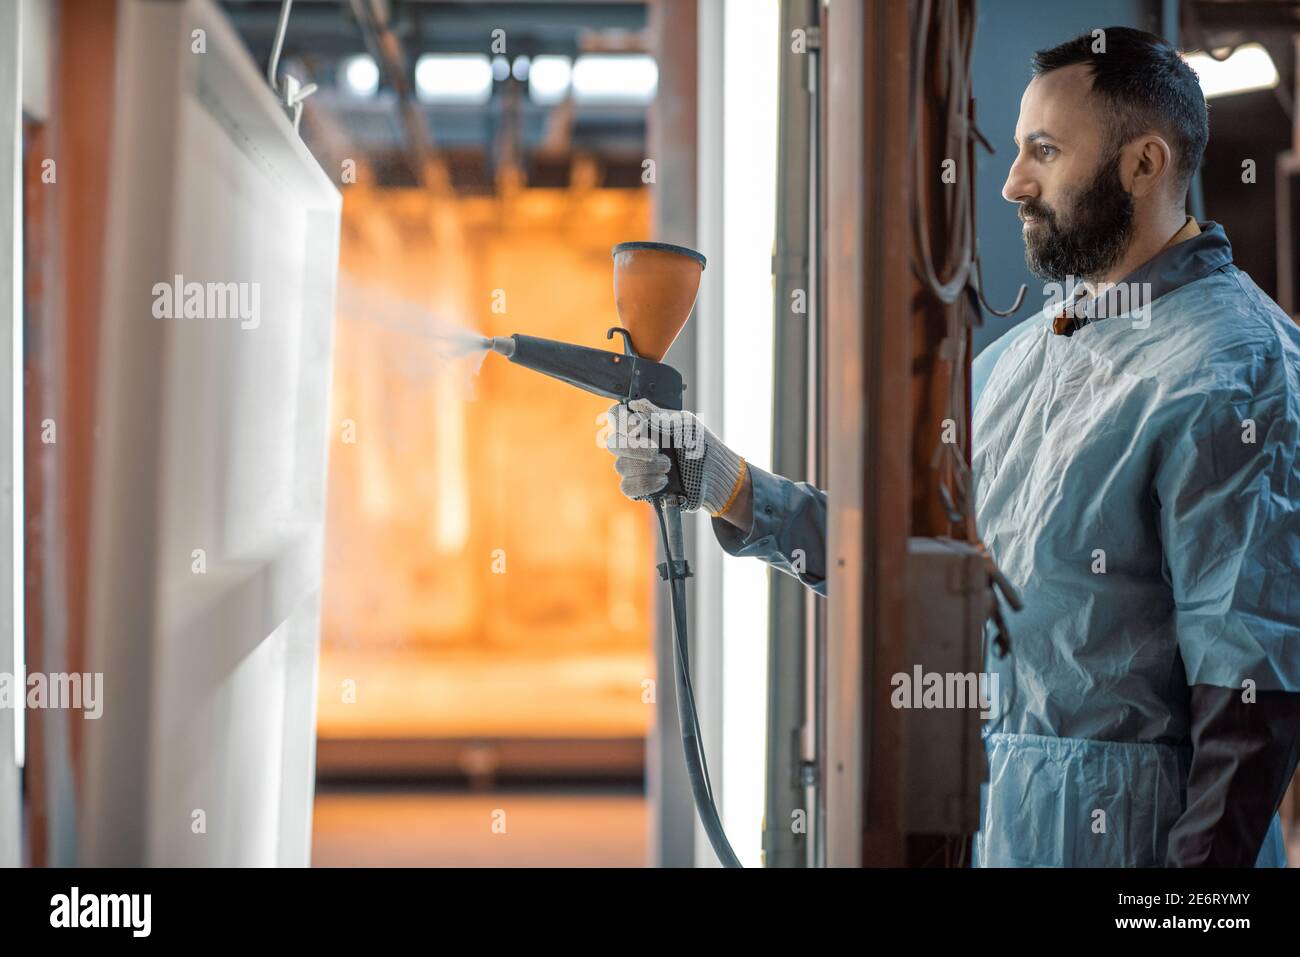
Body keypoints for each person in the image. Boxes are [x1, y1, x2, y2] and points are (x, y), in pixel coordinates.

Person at [605, 27, 1300, 867]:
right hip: (1000, 834)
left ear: (1144, 164)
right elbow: (913, 564)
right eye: (1016, 149)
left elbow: (1251, 704)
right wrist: (725, 481)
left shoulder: (1237, 369)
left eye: (1044, 151)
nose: (1011, 183)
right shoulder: (1024, 359)